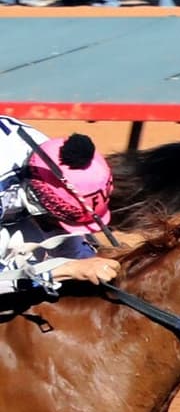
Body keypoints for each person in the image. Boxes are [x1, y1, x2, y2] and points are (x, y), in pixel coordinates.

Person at [0, 119, 119, 297]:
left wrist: (85, 261)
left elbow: (72, 247)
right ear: (35, 199)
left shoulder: (49, 156)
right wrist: (66, 269)